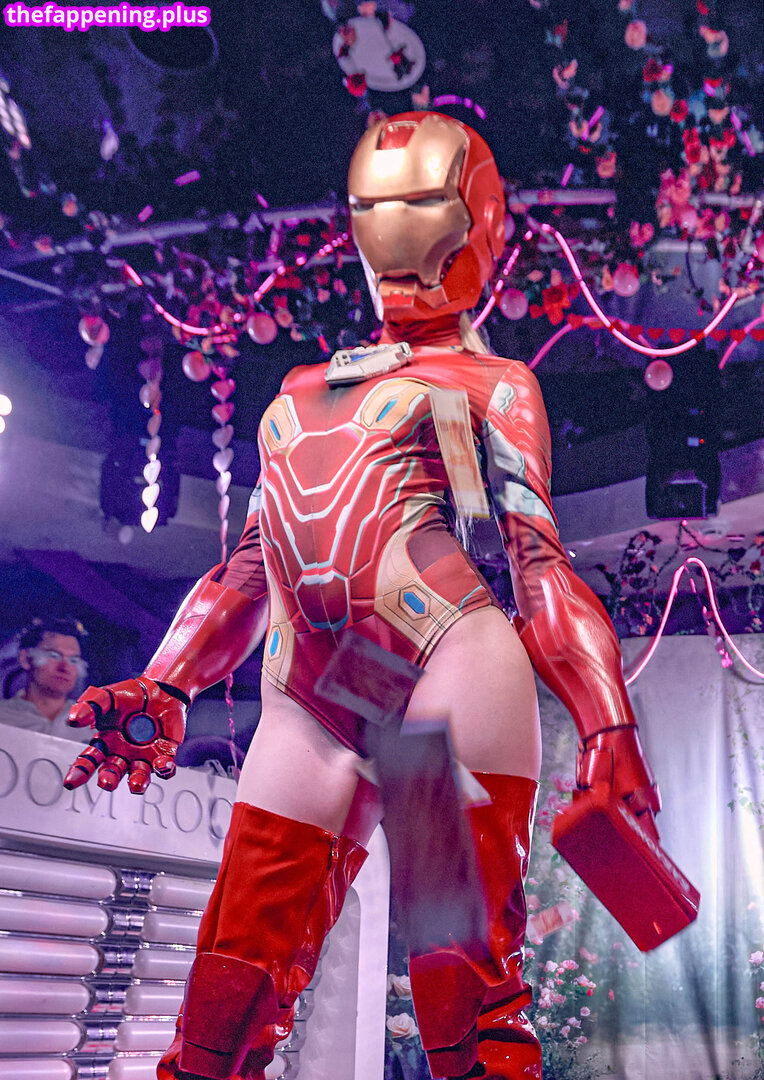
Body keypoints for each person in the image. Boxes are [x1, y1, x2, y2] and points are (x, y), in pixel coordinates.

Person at [64, 113, 661, 1080]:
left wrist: (609, 724)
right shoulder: (300, 390)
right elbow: (251, 566)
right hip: (317, 691)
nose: (401, 239)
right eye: (381, 209)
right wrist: (168, 681)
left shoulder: (492, 384)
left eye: (422, 207)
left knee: (459, 994)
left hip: (438, 676)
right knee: (223, 1006)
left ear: (475, 226)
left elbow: (538, 564)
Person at [0, 616, 91, 743]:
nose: (65, 668)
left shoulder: (92, 728)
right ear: (25, 658)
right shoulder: (3, 717)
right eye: (53, 655)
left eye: (73, 660)